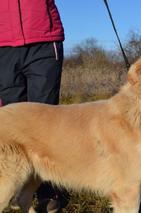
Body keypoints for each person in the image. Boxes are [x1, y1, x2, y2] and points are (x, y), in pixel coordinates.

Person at [0, 0, 68, 212]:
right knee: (12, 123)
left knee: (45, 119)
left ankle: (48, 188)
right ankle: (18, 187)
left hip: (43, 39)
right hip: (3, 43)